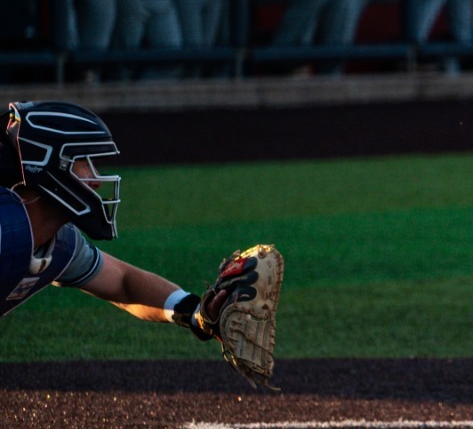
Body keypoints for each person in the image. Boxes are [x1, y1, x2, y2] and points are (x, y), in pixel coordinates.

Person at [2, 100, 276, 377]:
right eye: (84, 162)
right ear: (47, 164)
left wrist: (197, 313)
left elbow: (124, 282)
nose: (96, 180)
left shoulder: (60, 244)